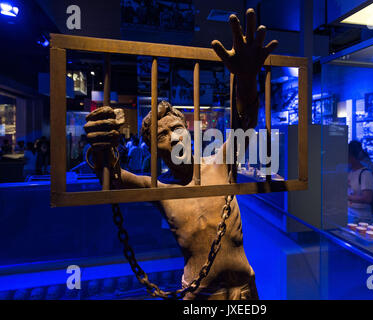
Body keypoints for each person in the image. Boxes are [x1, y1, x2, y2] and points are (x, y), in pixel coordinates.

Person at [84, 9, 277, 300]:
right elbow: (112, 177)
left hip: (246, 293)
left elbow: (245, 124)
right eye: (162, 136)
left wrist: (247, 78)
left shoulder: (220, 165)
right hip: (200, 296)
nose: (174, 138)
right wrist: (99, 148)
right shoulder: (160, 190)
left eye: (177, 128)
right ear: (151, 149)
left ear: (188, 129)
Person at [347, 140, 373, 224]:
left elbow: (367, 198)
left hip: (361, 218)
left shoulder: (365, 174)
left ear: (351, 156)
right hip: (351, 215)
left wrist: (346, 197)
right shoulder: (350, 171)